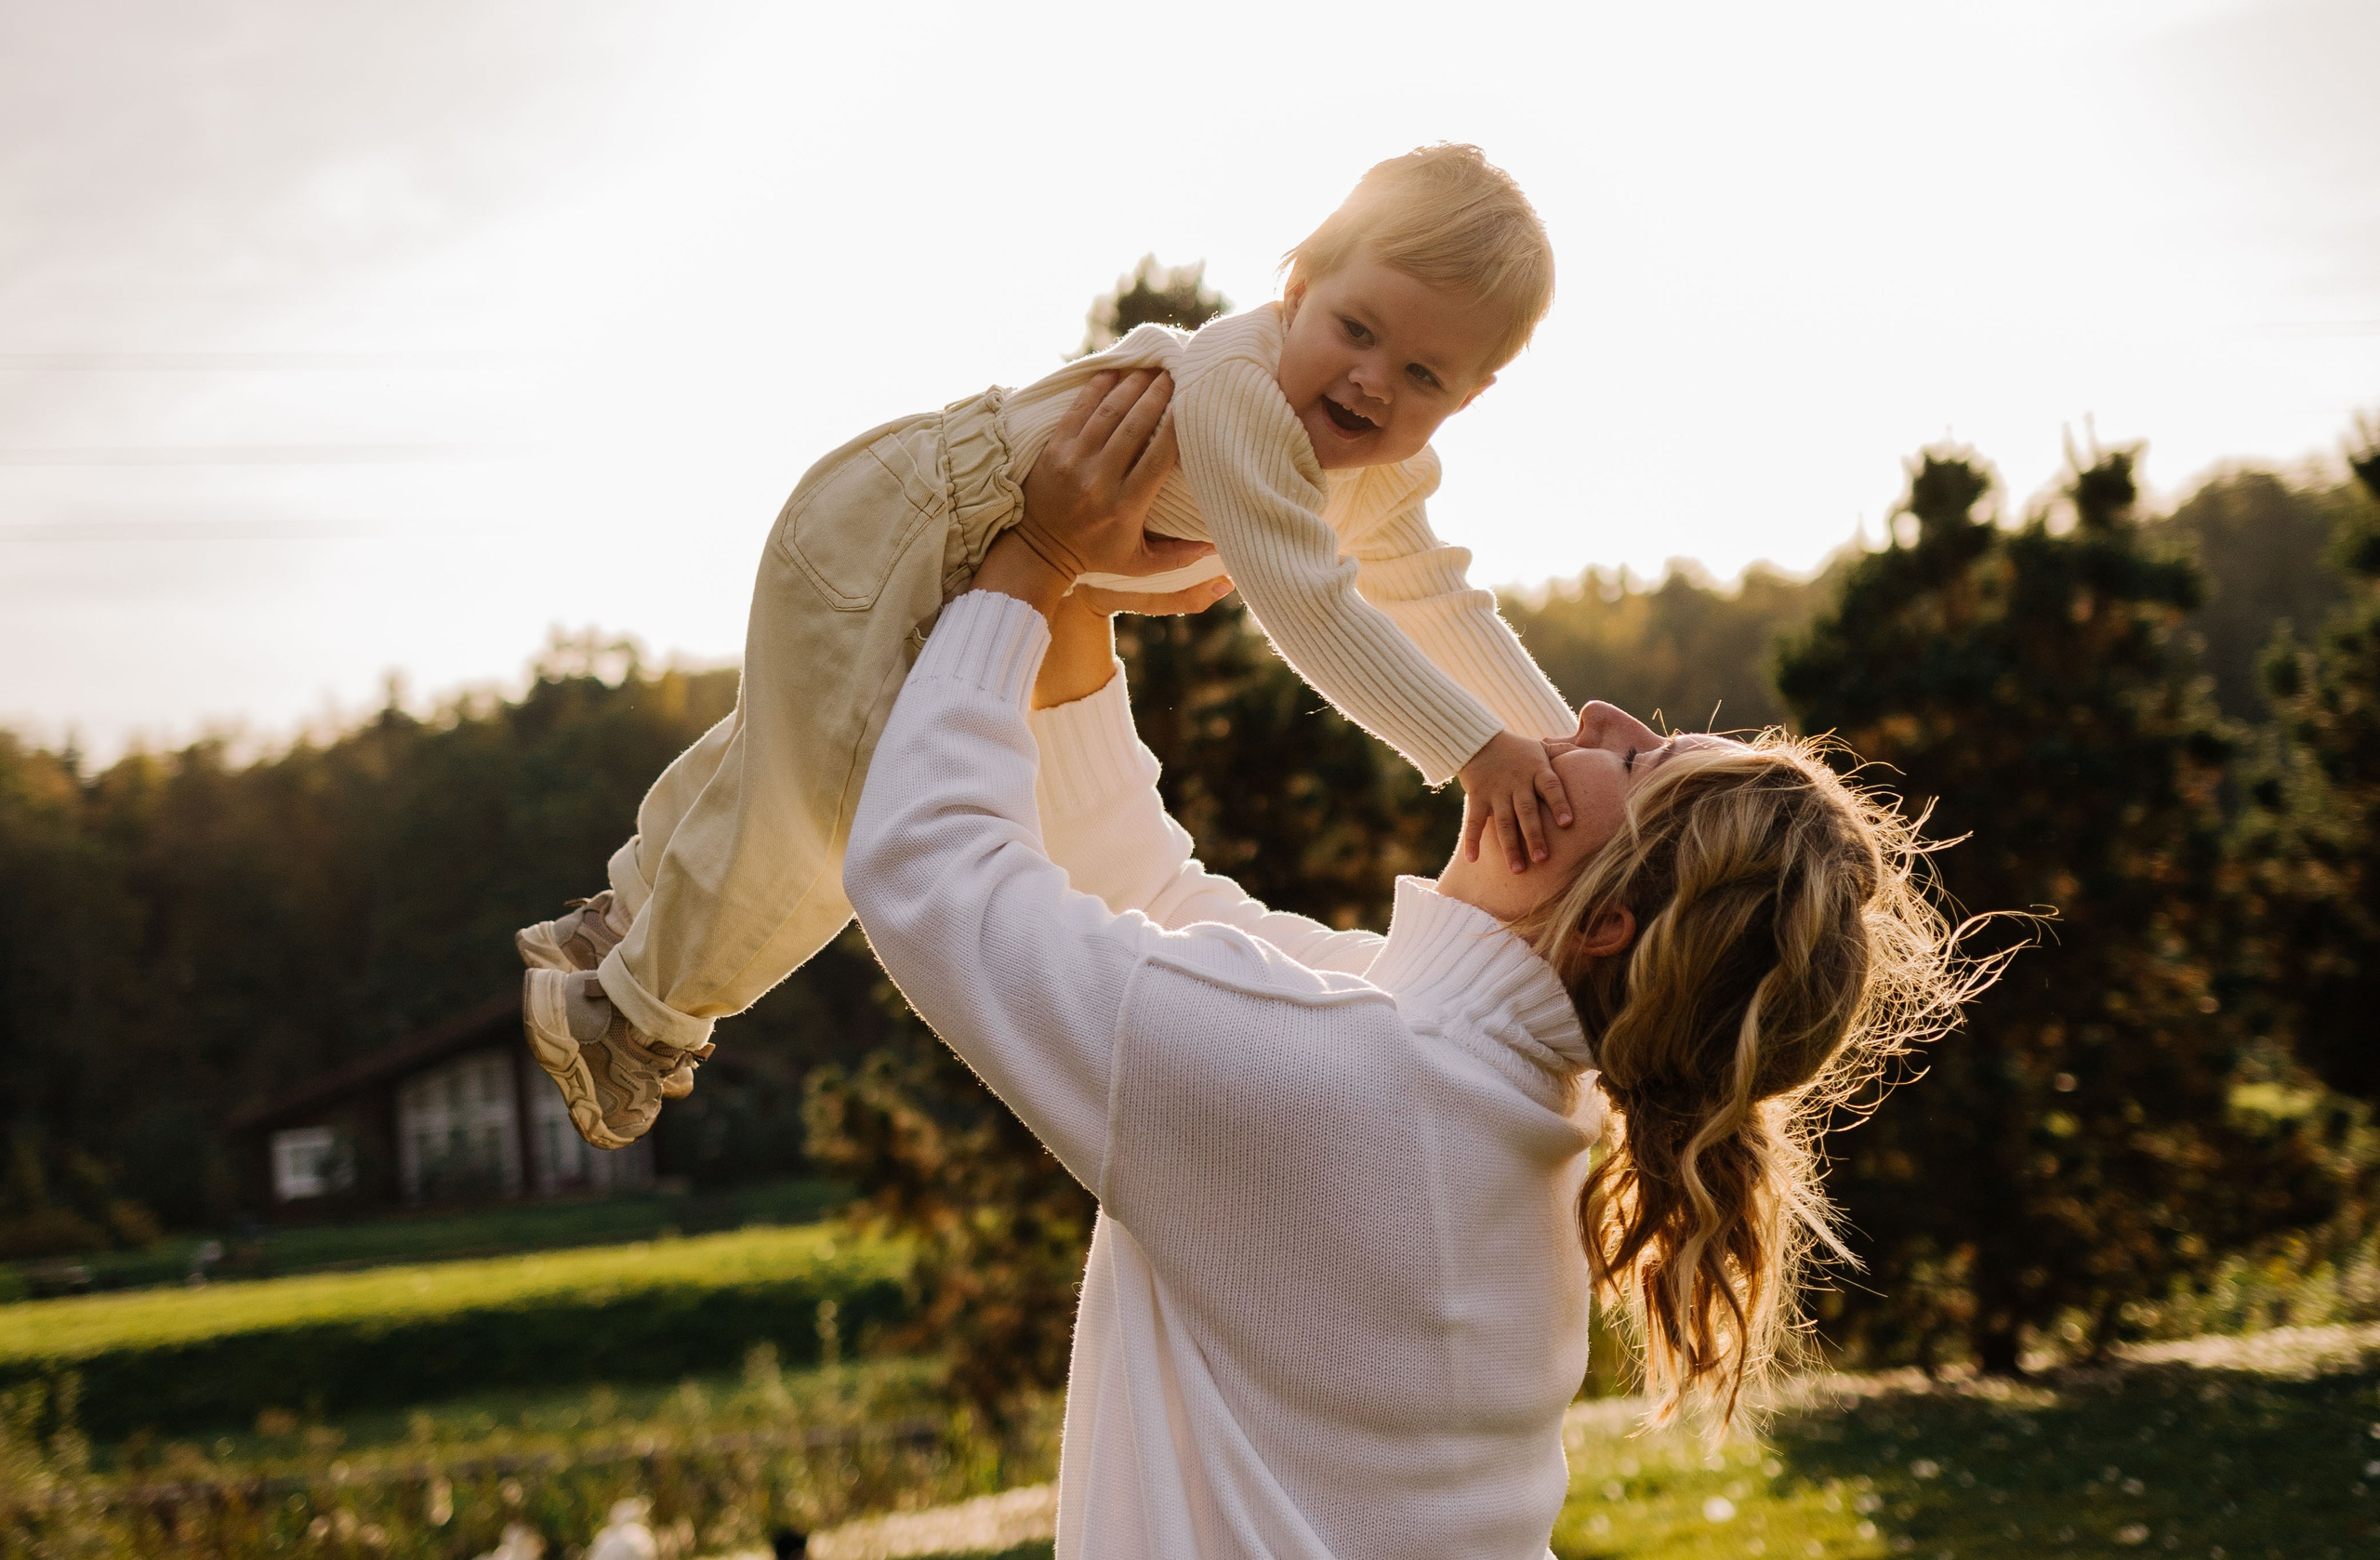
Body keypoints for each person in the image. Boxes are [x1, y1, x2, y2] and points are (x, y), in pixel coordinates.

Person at [840, 429, 1985, 1558]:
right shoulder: (1459, 1080)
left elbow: (926, 867)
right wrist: (1074, 604)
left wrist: (1029, 559)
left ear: (1601, 922)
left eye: (1637, 763)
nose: (1595, 720)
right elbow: (1146, 895)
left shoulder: (1343, 1079)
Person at [515, 143, 1590, 1151]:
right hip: (904, 533)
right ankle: (627, 1013)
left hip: (909, 543)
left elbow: (1435, 598)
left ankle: (619, 921)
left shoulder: (1372, 468)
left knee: (777, 760)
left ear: (1472, 394)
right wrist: (1475, 752)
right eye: (1356, 330)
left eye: (1423, 377)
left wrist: (1556, 743)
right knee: (822, 823)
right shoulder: (1241, 395)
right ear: (1296, 284)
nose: (1372, 383)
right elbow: (1311, 607)